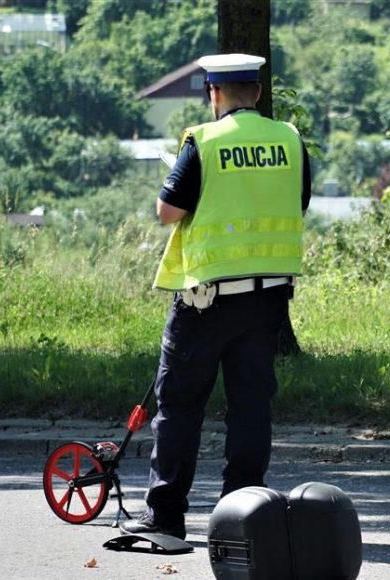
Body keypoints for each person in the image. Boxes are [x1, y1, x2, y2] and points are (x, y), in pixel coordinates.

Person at [120, 53, 311, 540]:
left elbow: (168, 211)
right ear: (260, 93)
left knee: (181, 404)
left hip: (206, 298)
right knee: (251, 406)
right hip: (269, 297)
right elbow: (299, 200)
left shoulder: (203, 141)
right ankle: (243, 518)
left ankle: (165, 516)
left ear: (214, 94)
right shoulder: (289, 139)